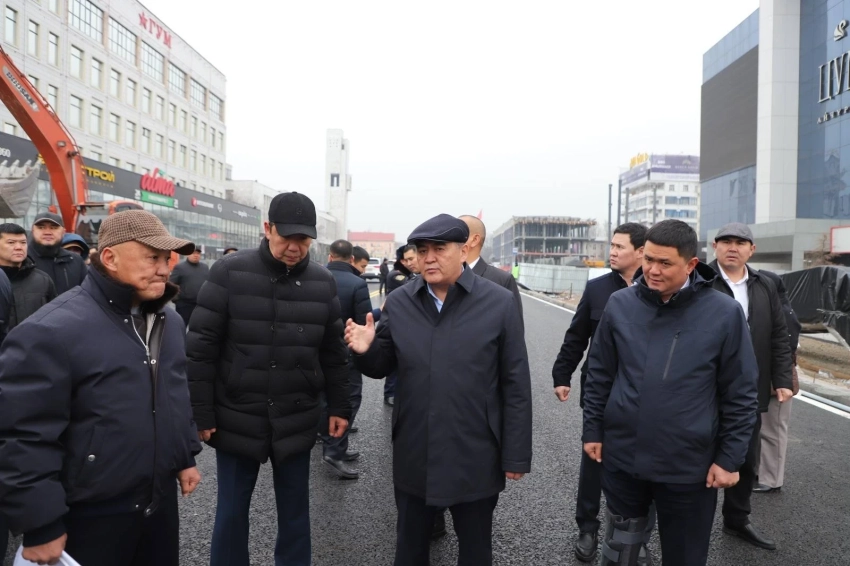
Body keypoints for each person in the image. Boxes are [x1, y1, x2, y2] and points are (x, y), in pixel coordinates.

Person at [0, 210, 202, 566]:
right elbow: (23, 434)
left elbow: (173, 392)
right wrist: (41, 523)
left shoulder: (168, 320)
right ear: (110, 257)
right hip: (89, 514)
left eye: (166, 259)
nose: (163, 269)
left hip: (158, 505)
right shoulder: (51, 330)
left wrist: (184, 456)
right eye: (152, 257)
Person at [345, 214, 532, 566]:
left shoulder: (498, 301)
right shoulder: (401, 301)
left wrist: (516, 454)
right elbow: (381, 366)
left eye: (439, 249)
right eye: (422, 250)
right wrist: (366, 349)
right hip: (416, 447)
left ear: (463, 250)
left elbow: (516, 382)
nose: (428, 258)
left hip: (476, 449)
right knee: (410, 546)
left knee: (475, 548)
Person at [187, 191, 351, 566]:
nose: (294, 247)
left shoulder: (322, 282)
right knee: (231, 512)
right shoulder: (229, 272)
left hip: (297, 413)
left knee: (295, 511)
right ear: (268, 228)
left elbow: (333, 353)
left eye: (303, 239)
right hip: (237, 413)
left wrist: (339, 406)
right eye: (287, 236)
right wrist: (200, 412)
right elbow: (200, 349)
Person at [582, 219, 759, 566]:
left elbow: (741, 392)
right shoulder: (621, 304)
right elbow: (599, 375)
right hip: (624, 459)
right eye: (648, 259)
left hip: (688, 467)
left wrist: (729, 458)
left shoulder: (724, 313)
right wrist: (593, 430)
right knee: (620, 554)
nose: (653, 270)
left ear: (691, 264)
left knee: (684, 555)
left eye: (665, 263)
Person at [551, 222, 651, 564]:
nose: (612, 252)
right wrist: (562, 374)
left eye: (620, 247)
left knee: (642, 464)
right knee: (594, 458)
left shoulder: (658, 288)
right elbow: (576, 336)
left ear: (640, 251)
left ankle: (635, 532)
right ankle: (588, 527)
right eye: (612, 245)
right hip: (601, 391)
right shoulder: (597, 289)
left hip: (644, 395)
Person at [708, 222, 793, 551]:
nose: (733, 247)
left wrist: (782, 379)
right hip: (704, 384)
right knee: (693, 451)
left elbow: (778, 334)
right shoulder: (701, 279)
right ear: (715, 246)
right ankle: (683, 517)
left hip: (748, 387)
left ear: (751, 250)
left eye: (740, 242)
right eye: (726, 241)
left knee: (745, 456)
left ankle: (737, 519)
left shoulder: (764, 284)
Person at [320, 239, 372, 479]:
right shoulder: (357, 283)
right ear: (352, 259)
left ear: (330, 257)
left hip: (315, 350)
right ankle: (335, 448)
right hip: (345, 352)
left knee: (323, 397)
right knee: (349, 398)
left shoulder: (316, 277)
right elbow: (363, 322)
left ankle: (331, 443)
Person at [754, 270, 801, 494]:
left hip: (777, 378)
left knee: (773, 430)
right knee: (762, 429)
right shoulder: (779, 307)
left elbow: (785, 347)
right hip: (767, 375)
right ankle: (760, 472)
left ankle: (772, 479)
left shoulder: (781, 312)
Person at [459, 215, 523, 321]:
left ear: (474, 240)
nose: (450, 238)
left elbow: (514, 326)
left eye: (458, 233)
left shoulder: (502, 280)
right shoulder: (444, 277)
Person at [0, 223, 57, 330]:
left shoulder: (43, 280)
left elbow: (55, 319)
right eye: (11, 242)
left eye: (23, 242)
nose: (19, 247)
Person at [383, 244, 420, 406]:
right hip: (398, 323)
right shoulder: (397, 275)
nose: (408, 263)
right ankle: (390, 393)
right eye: (406, 260)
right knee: (394, 362)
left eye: (411, 259)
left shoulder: (414, 277)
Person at [28, 211, 87, 296]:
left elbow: (87, 294)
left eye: (54, 228)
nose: (47, 232)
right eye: (41, 227)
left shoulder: (75, 261)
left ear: (63, 232)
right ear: (33, 230)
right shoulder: (23, 260)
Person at [169, 247, 210, 328]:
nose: (196, 255)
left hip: (200, 305)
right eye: (193, 253)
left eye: (198, 253)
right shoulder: (180, 267)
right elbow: (172, 284)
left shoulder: (205, 268)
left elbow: (208, 283)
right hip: (184, 305)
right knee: (181, 327)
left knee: (199, 328)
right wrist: (176, 299)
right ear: (188, 254)